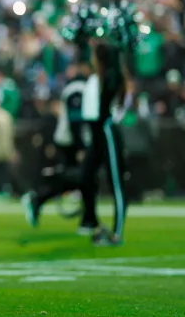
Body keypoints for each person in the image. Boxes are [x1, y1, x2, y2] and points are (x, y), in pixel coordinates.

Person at [22, 59, 91, 226]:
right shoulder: (78, 88)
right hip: (71, 142)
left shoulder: (81, 86)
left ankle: (88, 218)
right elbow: (76, 121)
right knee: (81, 178)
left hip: (73, 140)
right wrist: (81, 146)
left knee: (83, 179)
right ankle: (38, 198)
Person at [77, 41, 130, 246]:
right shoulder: (98, 78)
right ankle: (92, 221)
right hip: (98, 133)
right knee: (85, 176)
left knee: (116, 182)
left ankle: (117, 233)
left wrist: (117, 40)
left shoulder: (110, 78)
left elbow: (116, 63)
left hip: (107, 131)